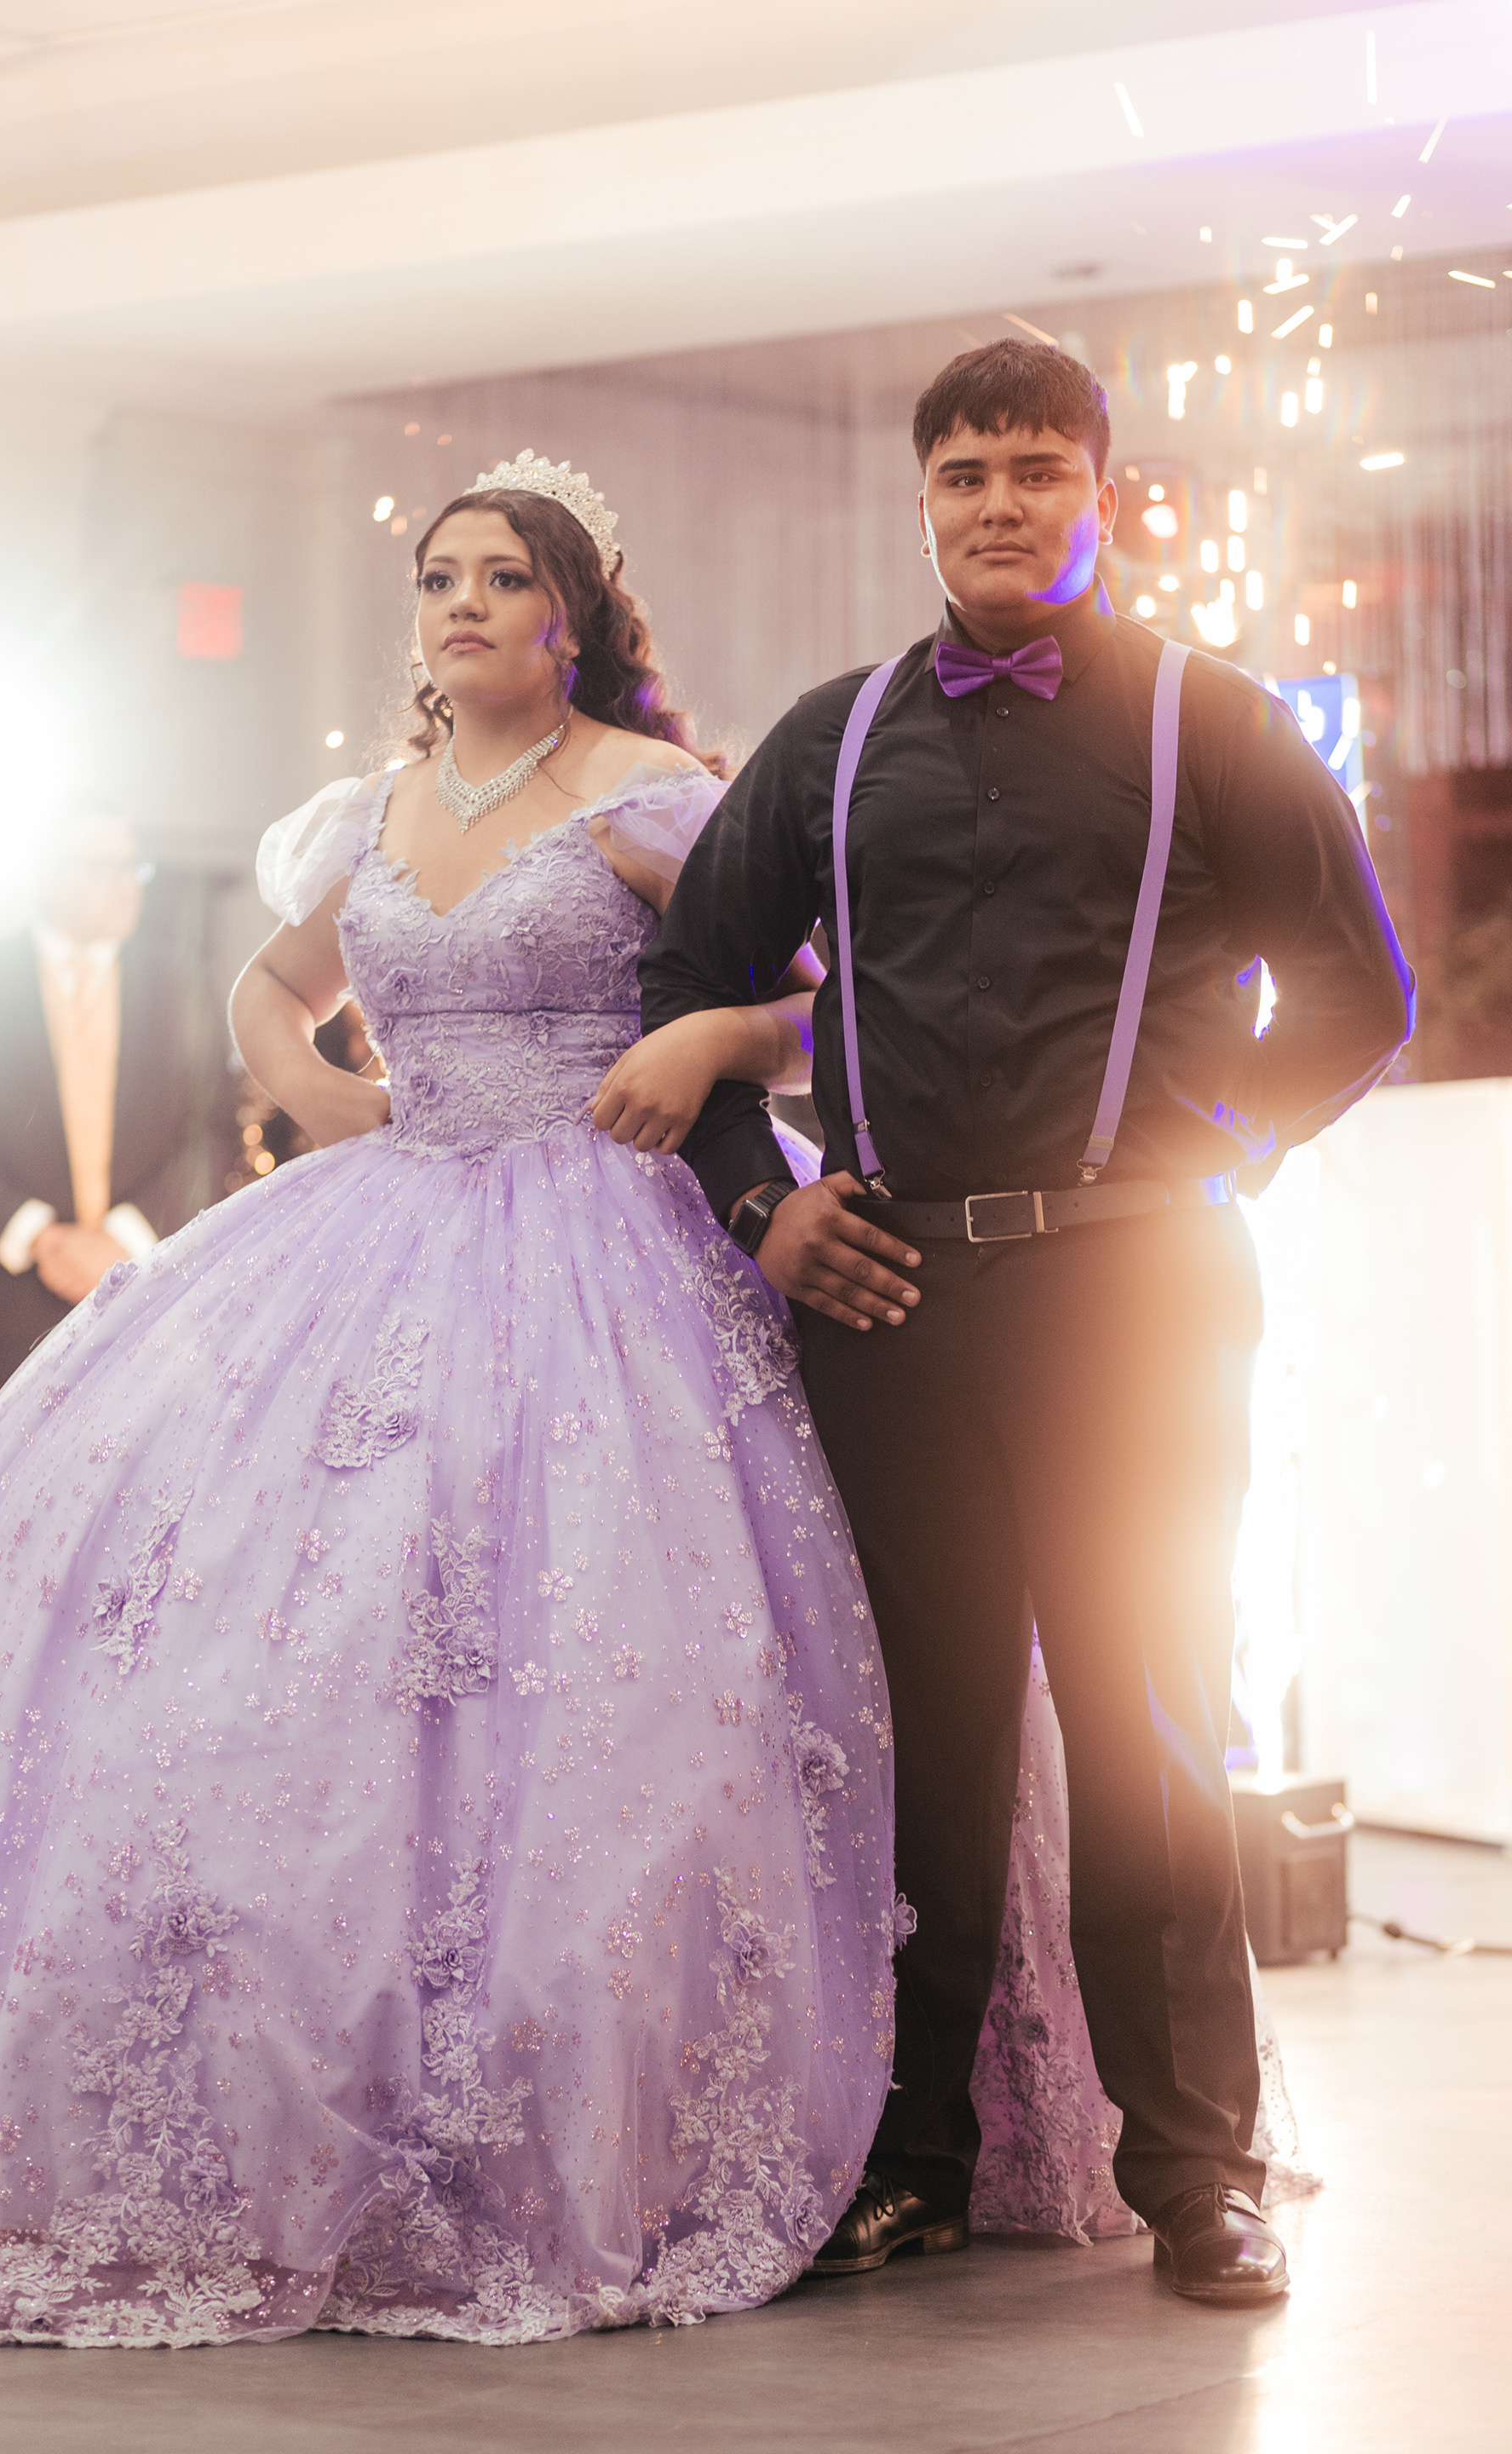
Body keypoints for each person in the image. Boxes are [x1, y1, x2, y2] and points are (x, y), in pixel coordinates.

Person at [0, 453, 900, 2347]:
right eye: (440, 578)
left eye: (503, 577)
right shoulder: (370, 811)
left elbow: (821, 1000)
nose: (462, 606)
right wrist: (315, 1091)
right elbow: (270, 995)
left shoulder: (647, 797)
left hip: (605, 1241)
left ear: (571, 615)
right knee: (298, 1629)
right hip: (386, 1224)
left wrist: (698, 1035)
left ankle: (567, 2083)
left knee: (577, 1652)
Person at [640, 341, 1412, 2306]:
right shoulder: (831, 738)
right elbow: (689, 983)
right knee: (928, 1730)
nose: (1000, 501)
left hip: (1137, 1290)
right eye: (966, 473)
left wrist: (1214, 1141)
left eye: (1037, 469)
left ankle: (1198, 2172)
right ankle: (912, 2160)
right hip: (891, 1294)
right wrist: (765, 1206)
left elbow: (1361, 990)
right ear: (925, 503)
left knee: (1151, 1722)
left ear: (1101, 495)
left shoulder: (1211, 721)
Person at [0, 808, 232, 1447]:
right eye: (101, 868)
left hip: (146, 1295)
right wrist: (40, 1238)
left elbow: (212, 1129)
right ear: (46, 876)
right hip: (5, 1305)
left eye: (132, 867)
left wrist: (122, 1239)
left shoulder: (181, 981)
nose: (125, 885)